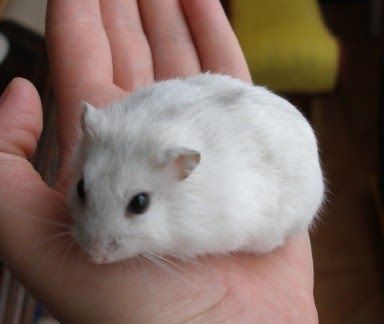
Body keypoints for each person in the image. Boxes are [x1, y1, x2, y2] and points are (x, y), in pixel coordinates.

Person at [0, 0, 318, 322]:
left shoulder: (211, 197)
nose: (96, 250)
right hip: (228, 111)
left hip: (290, 181)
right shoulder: (103, 129)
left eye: (138, 204)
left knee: (264, 231)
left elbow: (241, 216)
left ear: (182, 168)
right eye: (83, 192)